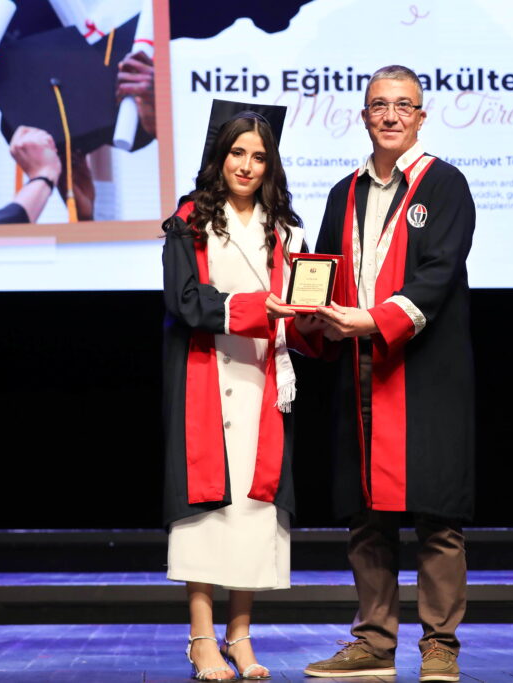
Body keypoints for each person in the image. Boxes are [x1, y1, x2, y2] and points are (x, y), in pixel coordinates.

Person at [303, 65, 476, 683]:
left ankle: (440, 646)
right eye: (380, 105)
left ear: (421, 117)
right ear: (364, 116)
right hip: (360, 368)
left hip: (424, 371)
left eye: (404, 105)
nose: (391, 115)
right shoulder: (343, 192)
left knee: (435, 512)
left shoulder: (445, 185)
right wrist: (310, 312)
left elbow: (438, 274)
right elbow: (322, 269)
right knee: (366, 514)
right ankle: (374, 642)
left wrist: (373, 320)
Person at [161, 109, 308, 681]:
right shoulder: (190, 220)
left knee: (252, 507)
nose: (246, 166)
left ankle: (239, 636)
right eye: (237, 153)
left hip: (263, 379)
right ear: (220, 157)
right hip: (205, 374)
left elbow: (297, 303)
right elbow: (183, 300)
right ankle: (201, 638)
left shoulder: (286, 229)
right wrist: (254, 308)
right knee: (207, 508)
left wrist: (312, 317)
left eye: (259, 156)